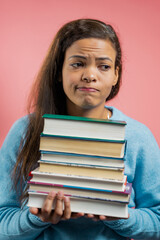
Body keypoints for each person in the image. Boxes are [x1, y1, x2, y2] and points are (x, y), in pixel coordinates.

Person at [0, 18, 160, 240]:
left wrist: (120, 217)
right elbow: (2, 222)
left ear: (116, 74)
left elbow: (157, 220)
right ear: (59, 71)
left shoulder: (138, 137)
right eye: (78, 64)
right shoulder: (25, 131)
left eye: (103, 66)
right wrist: (36, 218)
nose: (90, 75)